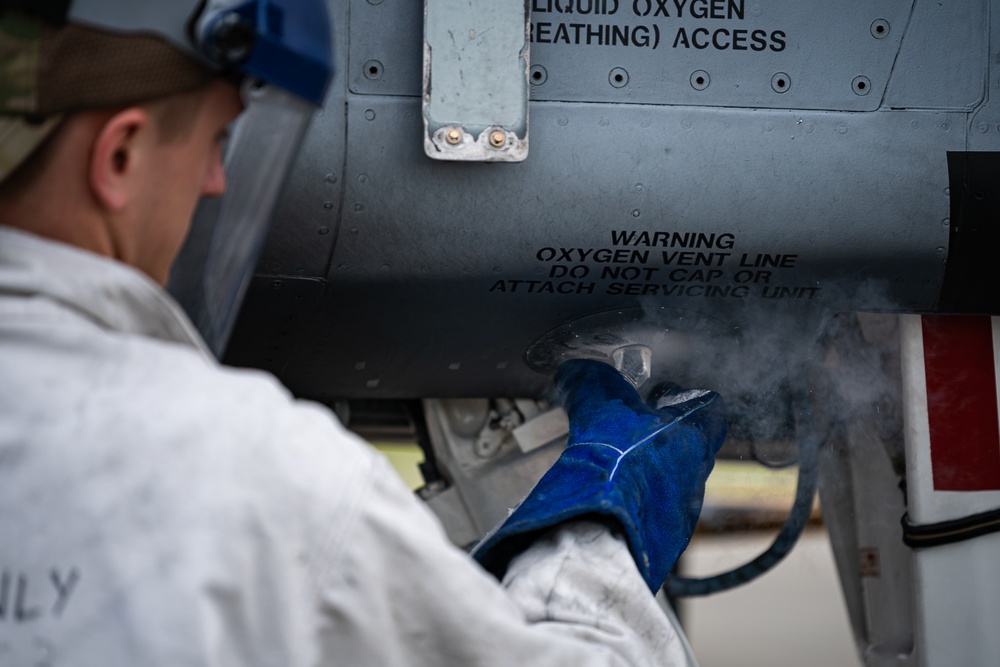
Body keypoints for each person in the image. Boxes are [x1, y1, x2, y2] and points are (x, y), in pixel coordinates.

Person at [0, 2, 726, 665]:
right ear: (120, 156)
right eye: (217, 137)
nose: (217, 180)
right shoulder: (256, 475)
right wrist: (600, 516)